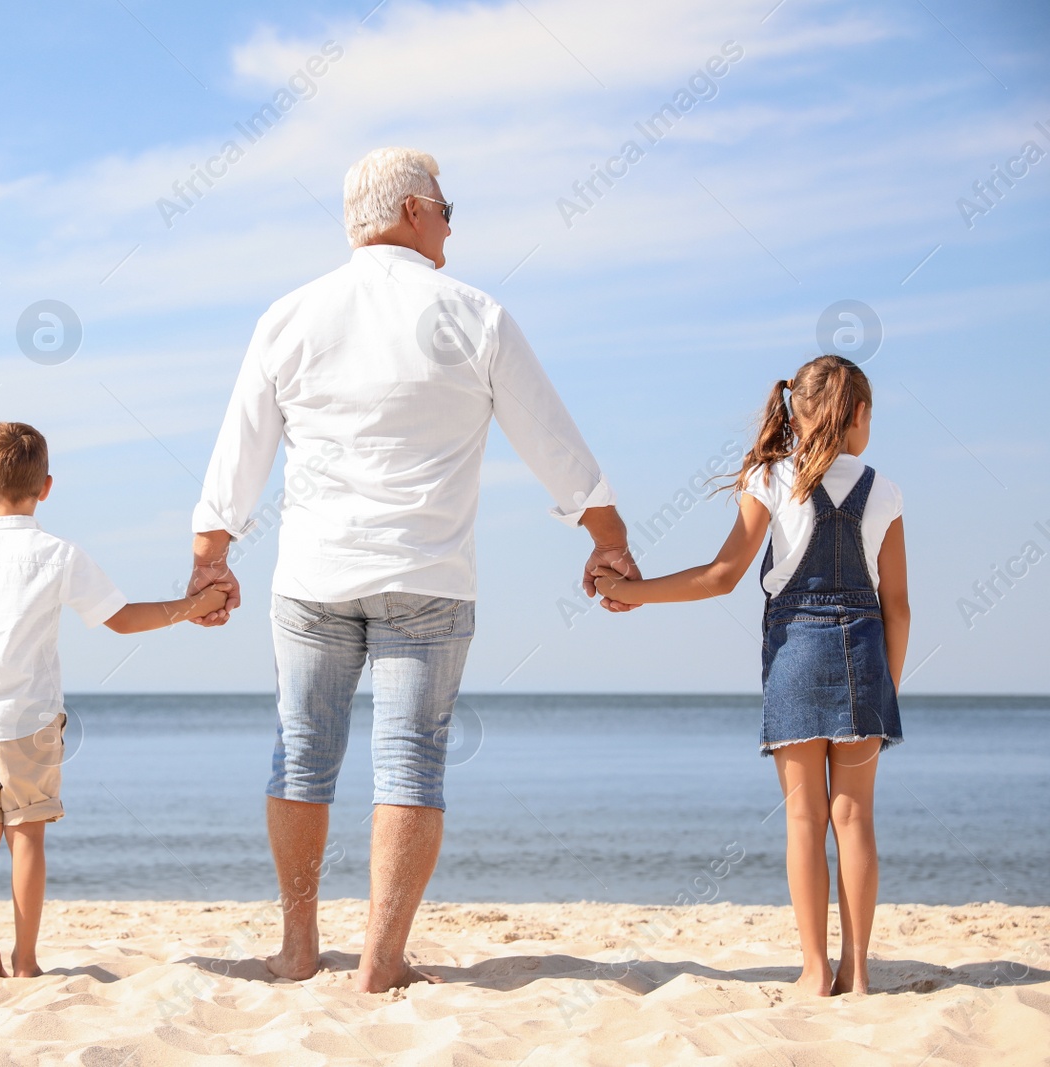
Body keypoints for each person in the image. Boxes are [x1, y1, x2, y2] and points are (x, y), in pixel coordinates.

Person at [186, 147, 639, 992]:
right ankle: (382, 961)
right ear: (407, 212)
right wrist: (605, 535)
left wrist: (211, 555)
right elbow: (551, 438)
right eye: (445, 206)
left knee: (301, 756)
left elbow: (238, 446)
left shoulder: (290, 314)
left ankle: (296, 948)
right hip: (428, 575)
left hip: (314, 575)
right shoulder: (475, 314)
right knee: (409, 762)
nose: (452, 222)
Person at [594, 354, 908, 996]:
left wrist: (636, 590)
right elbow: (897, 605)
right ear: (862, 415)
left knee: (804, 818)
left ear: (795, 412)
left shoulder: (771, 477)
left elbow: (720, 577)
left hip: (796, 656)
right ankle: (859, 972)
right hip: (864, 660)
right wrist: (886, 687)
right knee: (855, 818)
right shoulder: (885, 490)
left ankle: (815, 971)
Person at [0, 421, 230, 979]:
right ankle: (25, 960)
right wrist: (196, 605)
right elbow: (123, 621)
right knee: (28, 837)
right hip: (34, 722)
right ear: (46, 486)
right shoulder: (58, 554)